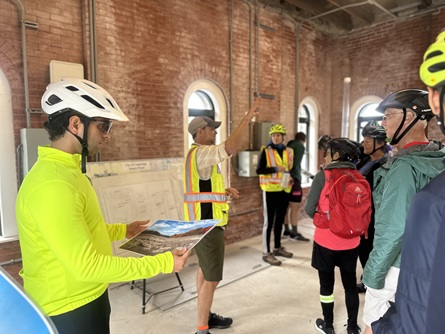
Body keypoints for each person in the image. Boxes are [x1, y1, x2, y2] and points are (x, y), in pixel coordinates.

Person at [15, 78, 189, 334]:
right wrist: (162, 264)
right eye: (104, 125)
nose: (107, 135)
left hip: (88, 297)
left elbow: (81, 230)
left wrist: (122, 231)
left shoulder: (69, 173)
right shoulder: (53, 185)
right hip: (69, 311)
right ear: (75, 124)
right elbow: (87, 266)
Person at [371, 29, 445, 334]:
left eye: (388, 115)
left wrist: (372, 277)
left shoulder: (402, 167)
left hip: (395, 273)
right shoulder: (438, 156)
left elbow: (392, 230)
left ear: (413, 117)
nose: (383, 123)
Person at [184, 98, 262, 334]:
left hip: (200, 222)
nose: (215, 132)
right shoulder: (203, 153)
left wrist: (223, 191)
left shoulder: (194, 154)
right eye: (211, 129)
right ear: (200, 131)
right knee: (212, 278)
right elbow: (229, 147)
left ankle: (205, 317)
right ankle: (201, 329)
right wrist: (247, 118)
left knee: (204, 271)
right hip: (208, 225)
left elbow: (202, 188)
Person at [305, 138, 362, 334]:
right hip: (351, 243)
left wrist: (326, 221)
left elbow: (308, 209)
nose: (325, 157)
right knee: (350, 286)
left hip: (325, 242)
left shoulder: (323, 176)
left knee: (326, 287)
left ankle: (328, 326)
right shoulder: (357, 176)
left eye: (327, 153)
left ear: (336, 155)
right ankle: (353, 327)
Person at [355, 122, 390, 293]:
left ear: (380, 143)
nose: (364, 144)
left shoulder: (386, 164)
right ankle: (366, 278)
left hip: (374, 215)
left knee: (371, 249)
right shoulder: (364, 159)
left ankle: (370, 282)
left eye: (368, 140)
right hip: (360, 214)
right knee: (362, 248)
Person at [256, 124, 294, 266]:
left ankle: (277, 247)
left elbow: (288, 169)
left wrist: (290, 177)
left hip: (284, 189)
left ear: (283, 137)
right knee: (269, 222)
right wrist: (274, 168)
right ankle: (266, 252)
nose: (276, 138)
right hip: (270, 190)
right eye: (273, 136)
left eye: (278, 135)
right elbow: (259, 170)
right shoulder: (265, 151)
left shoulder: (288, 151)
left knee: (280, 221)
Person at [284, 132, 310, 241]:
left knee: (287, 206)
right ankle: (294, 233)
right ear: (304, 140)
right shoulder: (300, 146)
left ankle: (286, 230)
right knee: (295, 206)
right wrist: (295, 176)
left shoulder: (289, 145)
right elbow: (295, 164)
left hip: (285, 179)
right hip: (294, 179)